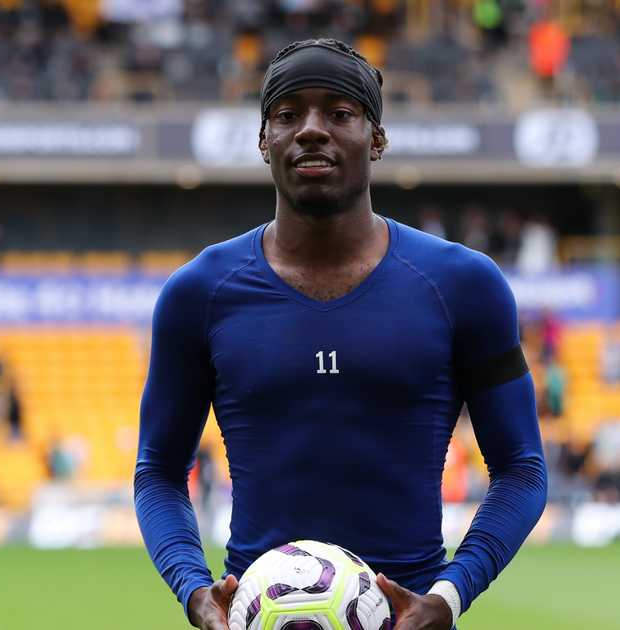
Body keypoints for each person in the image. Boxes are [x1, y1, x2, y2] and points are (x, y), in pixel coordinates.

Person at [135, 39, 546, 630]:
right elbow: (157, 470)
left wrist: (450, 595)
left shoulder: (463, 285)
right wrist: (194, 589)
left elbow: (522, 469)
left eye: (339, 112)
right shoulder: (198, 293)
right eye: (287, 114)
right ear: (264, 140)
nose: (310, 129)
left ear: (376, 138)